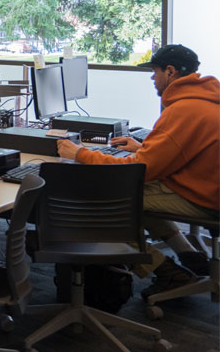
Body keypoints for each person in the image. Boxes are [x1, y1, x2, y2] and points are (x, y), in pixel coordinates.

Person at [56, 44, 219, 295]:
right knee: (141, 190)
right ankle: (188, 254)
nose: (152, 78)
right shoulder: (206, 100)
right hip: (206, 187)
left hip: (204, 199)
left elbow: (135, 170)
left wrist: (80, 153)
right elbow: (182, 151)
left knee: (103, 201)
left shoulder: (184, 109)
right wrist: (144, 147)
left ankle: (166, 271)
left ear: (170, 71)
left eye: (154, 72)